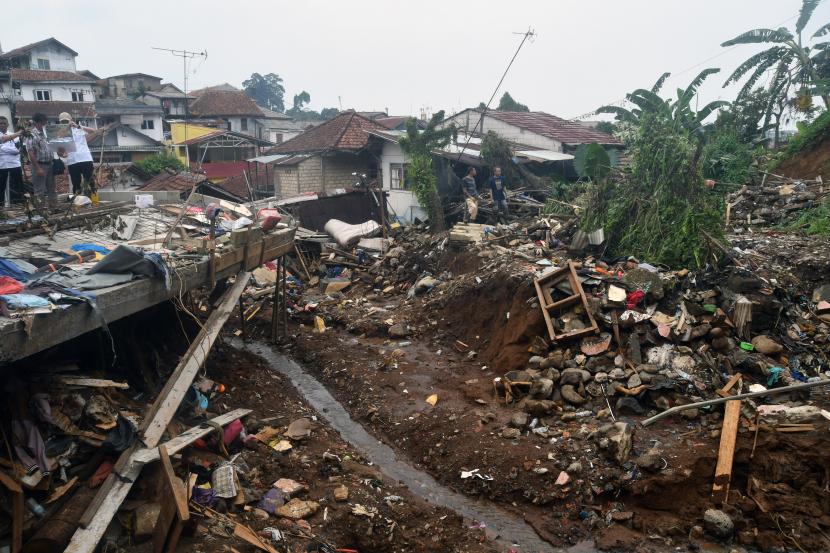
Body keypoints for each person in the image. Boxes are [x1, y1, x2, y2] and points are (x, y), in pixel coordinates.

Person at [24, 113, 57, 209]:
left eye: (45, 122)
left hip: (50, 163)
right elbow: (30, 152)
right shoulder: (31, 135)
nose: (44, 124)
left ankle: (53, 208)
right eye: (42, 122)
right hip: (39, 164)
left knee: (52, 188)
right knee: (40, 190)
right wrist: (38, 168)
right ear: (37, 123)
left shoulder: (47, 133)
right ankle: (41, 211)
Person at [59, 112, 96, 195]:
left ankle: (93, 197)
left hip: (85, 158)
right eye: (63, 122)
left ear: (71, 120)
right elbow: (59, 148)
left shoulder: (79, 129)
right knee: (76, 183)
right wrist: (61, 154)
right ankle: (78, 199)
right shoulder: (61, 133)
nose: (65, 123)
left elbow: (94, 131)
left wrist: (78, 126)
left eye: (66, 121)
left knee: (90, 181)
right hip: (72, 161)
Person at [0, 116, 25, 209]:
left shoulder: (14, 136)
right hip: (2, 165)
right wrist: (10, 149)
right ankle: (1, 209)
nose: (2, 125)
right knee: (1, 188)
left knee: (18, 186)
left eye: (4, 123)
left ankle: (20, 207)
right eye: (0, 123)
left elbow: (18, 150)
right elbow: (3, 142)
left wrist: (4, 148)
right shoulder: (15, 135)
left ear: (8, 124)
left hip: (15, 164)